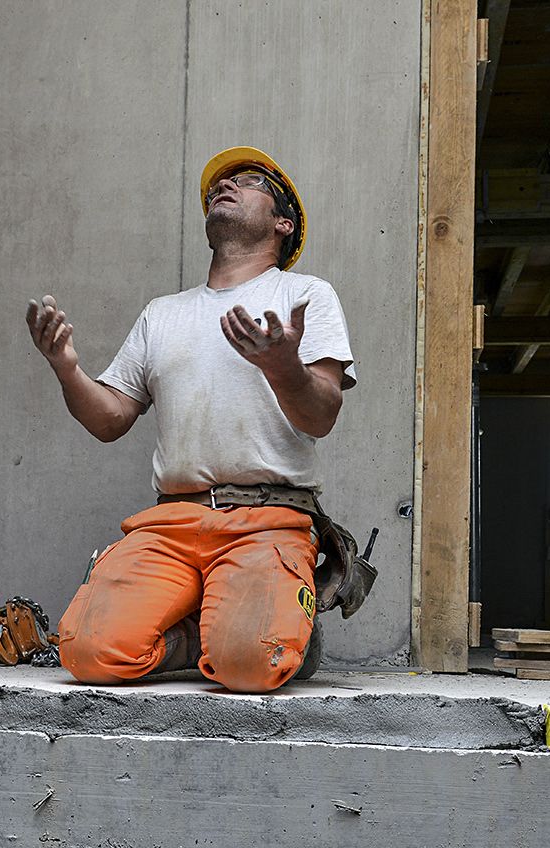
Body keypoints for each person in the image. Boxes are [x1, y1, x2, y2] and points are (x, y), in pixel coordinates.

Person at [25, 146, 356, 693]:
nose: (226, 185)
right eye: (218, 185)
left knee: (250, 666)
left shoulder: (304, 295)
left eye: (248, 181)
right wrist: (66, 368)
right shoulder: (162, 313)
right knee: (88, 653)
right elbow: (109, 420)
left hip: (267, 519)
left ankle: (260, 630)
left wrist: (283, 366)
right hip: (173, 521)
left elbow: (322, 415)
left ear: (283, 222)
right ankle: (214, 629)